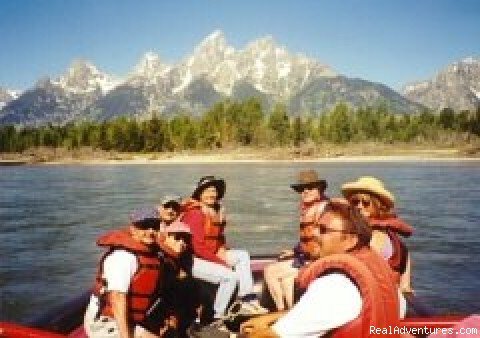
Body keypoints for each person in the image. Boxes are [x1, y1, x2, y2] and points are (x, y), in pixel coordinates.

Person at [241, 201, 401, 337]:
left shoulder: (335, 285)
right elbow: (329, 314)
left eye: (324, 230)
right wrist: (271, 317)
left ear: (351, 240)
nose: (314, 234)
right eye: (316, 227)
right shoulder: (378, 270)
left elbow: (280, 334)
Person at [181, 176, 268, 322]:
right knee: (230, 276)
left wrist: (221, 249)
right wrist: (221, 263)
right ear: (199, 194)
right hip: (193, 260)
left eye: (214, 190)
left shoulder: (216, 212)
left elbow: (218, 239)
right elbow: (198, 248)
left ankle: (246, 299)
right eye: (207, 190)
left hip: (210, 256)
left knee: (242, 255)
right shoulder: (194, 214)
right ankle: (218, 316)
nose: (212, 194)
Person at [84, 208, 177, 338]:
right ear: (132, 229)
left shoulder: (153, 255)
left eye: (154, 227)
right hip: (107, 323)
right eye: (144, 226)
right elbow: (117, 299)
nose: (150, 231)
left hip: (134, 320)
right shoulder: (123, 257)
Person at [263, 169, 329, 311]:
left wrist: (310, 258)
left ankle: (281, 312)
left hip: (318, 261)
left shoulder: (324, 209)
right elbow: (308, 240)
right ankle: (288, 313)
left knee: (270, 271)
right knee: (287, 281)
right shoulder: (310, 208)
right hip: (308, 258)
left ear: (319, 190)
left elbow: (322, 241)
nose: (305, 192)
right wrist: (294, 251)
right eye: (301, 189)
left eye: (310, 188)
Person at [341, 176, 414, 294]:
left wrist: (405, 284)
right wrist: (405, 284)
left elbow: (360, 264)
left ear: (378, 205)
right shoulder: (383, 230)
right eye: (355, 202)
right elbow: (406, 254)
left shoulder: (375, 234)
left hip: (377, 294)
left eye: (365, 203)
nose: (359, 206)